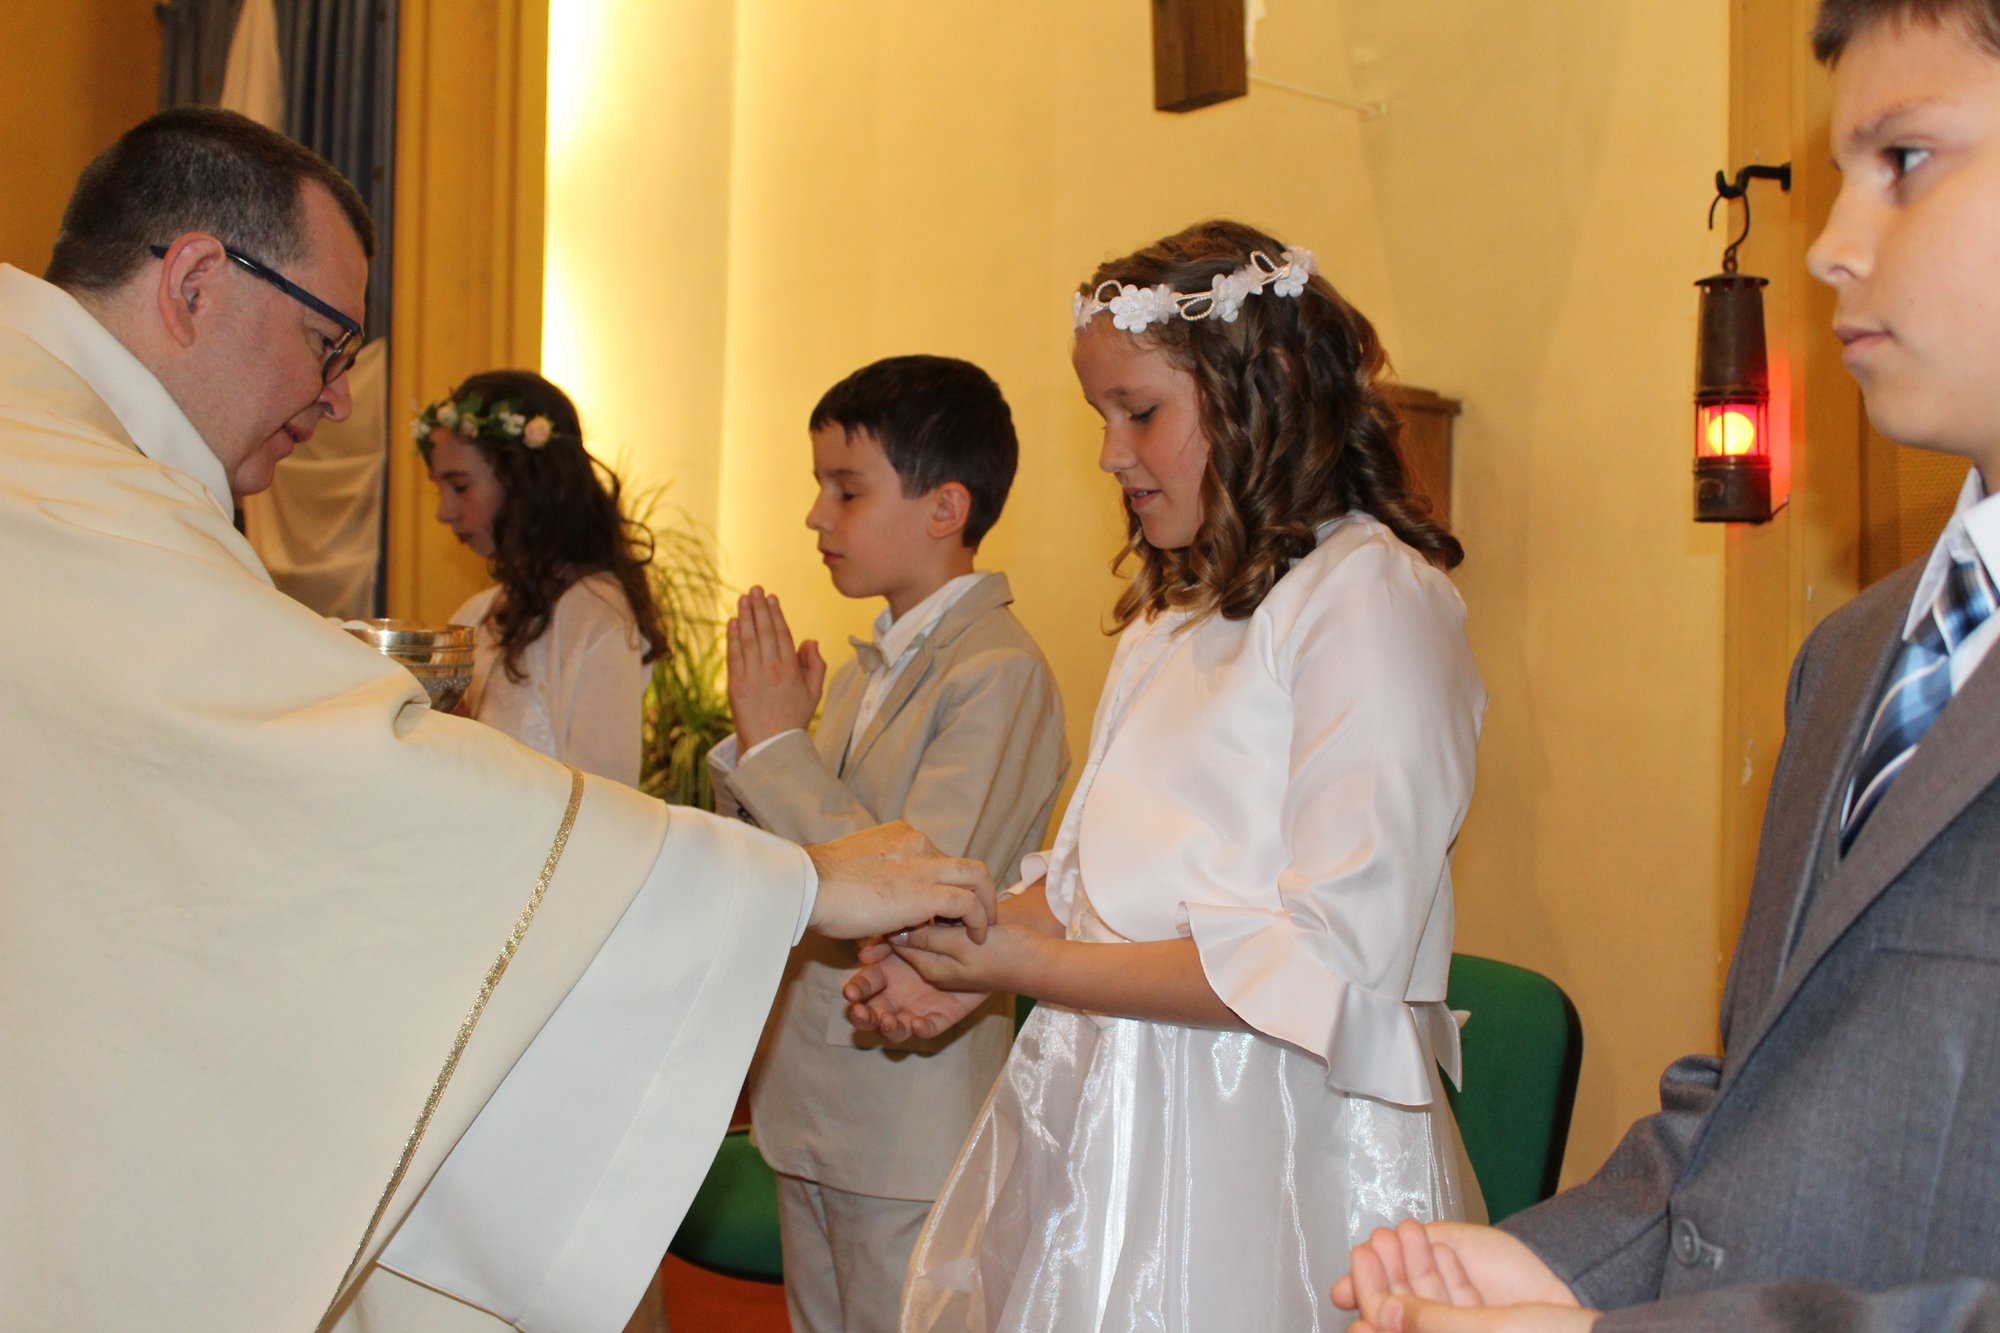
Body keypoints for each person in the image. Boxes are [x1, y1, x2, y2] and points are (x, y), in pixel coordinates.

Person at [0, 106, 995, 1332]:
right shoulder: (73, 491)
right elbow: (343, 771)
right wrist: (789, 880)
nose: (337, 399)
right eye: (327, 343)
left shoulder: (53, 447)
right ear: (197, 280)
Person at [1335, 3, 2000, 1330]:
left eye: (1905, 160)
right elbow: (1760, 1084)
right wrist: (1566, 1266)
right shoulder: (1852, 654)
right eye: (1837, 175)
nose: (1828, 244)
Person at [846, 220, 1488, 1331]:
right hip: (1106, 1112)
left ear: (1261, 391)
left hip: (1264, 1144)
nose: (1109, 453)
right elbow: (1096, 883)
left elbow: (1329, 958)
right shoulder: (1174, 610)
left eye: (1137, 411)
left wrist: (1027, 963)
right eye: (1101, 416)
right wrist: (957, 951)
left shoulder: (1370, 600)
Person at [706, 355, 1069, 1333]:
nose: (815, 516)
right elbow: (804, 870)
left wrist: (777, 746)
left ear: (945, 506)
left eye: (846, 488)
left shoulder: (996, 670)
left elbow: (913, 890)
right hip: (816, 1090)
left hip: (907, 1110)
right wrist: (766, 747)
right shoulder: (875, 664)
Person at [419, 369, 664, 784]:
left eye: (460, 487)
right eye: (438, 488)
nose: (444, 511)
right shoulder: (476, 613)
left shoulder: (596, 614)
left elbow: (608, 799)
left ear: (524, 481)